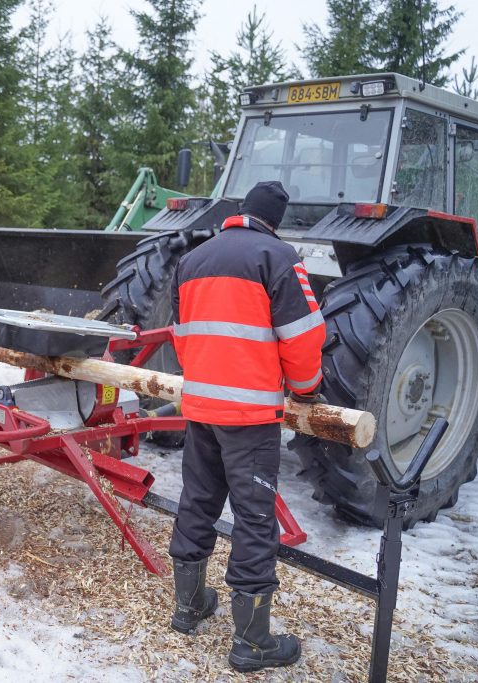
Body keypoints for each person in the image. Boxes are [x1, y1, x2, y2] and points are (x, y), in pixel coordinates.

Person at [167, 181, 325, 672]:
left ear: (240, 213)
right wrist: (305, 389)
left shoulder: (194, 258)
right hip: (251, 418)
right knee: (255, 521)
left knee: (198, 500)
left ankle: (188, 606)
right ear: (274, 220)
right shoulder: (277, 256)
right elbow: (302, 337)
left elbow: (183, 334)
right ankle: (253, 643)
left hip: (201, 408)